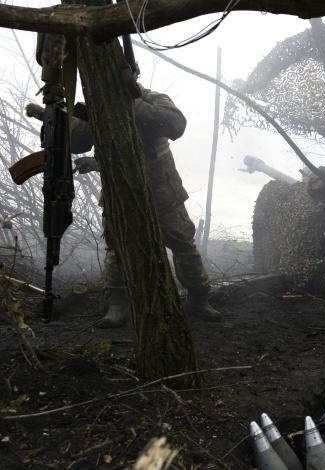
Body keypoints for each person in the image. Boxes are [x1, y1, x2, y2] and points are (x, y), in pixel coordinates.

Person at [66, 84, 221, 327]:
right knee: (116, 250)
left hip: (162, 191)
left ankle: (199, 299)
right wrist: (65, 117)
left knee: (183, 245)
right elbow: (78, 142)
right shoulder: (98, 106)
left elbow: (175, 125)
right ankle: (118, 305)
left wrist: (130, 102)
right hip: (120, 192)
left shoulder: (151, 98)